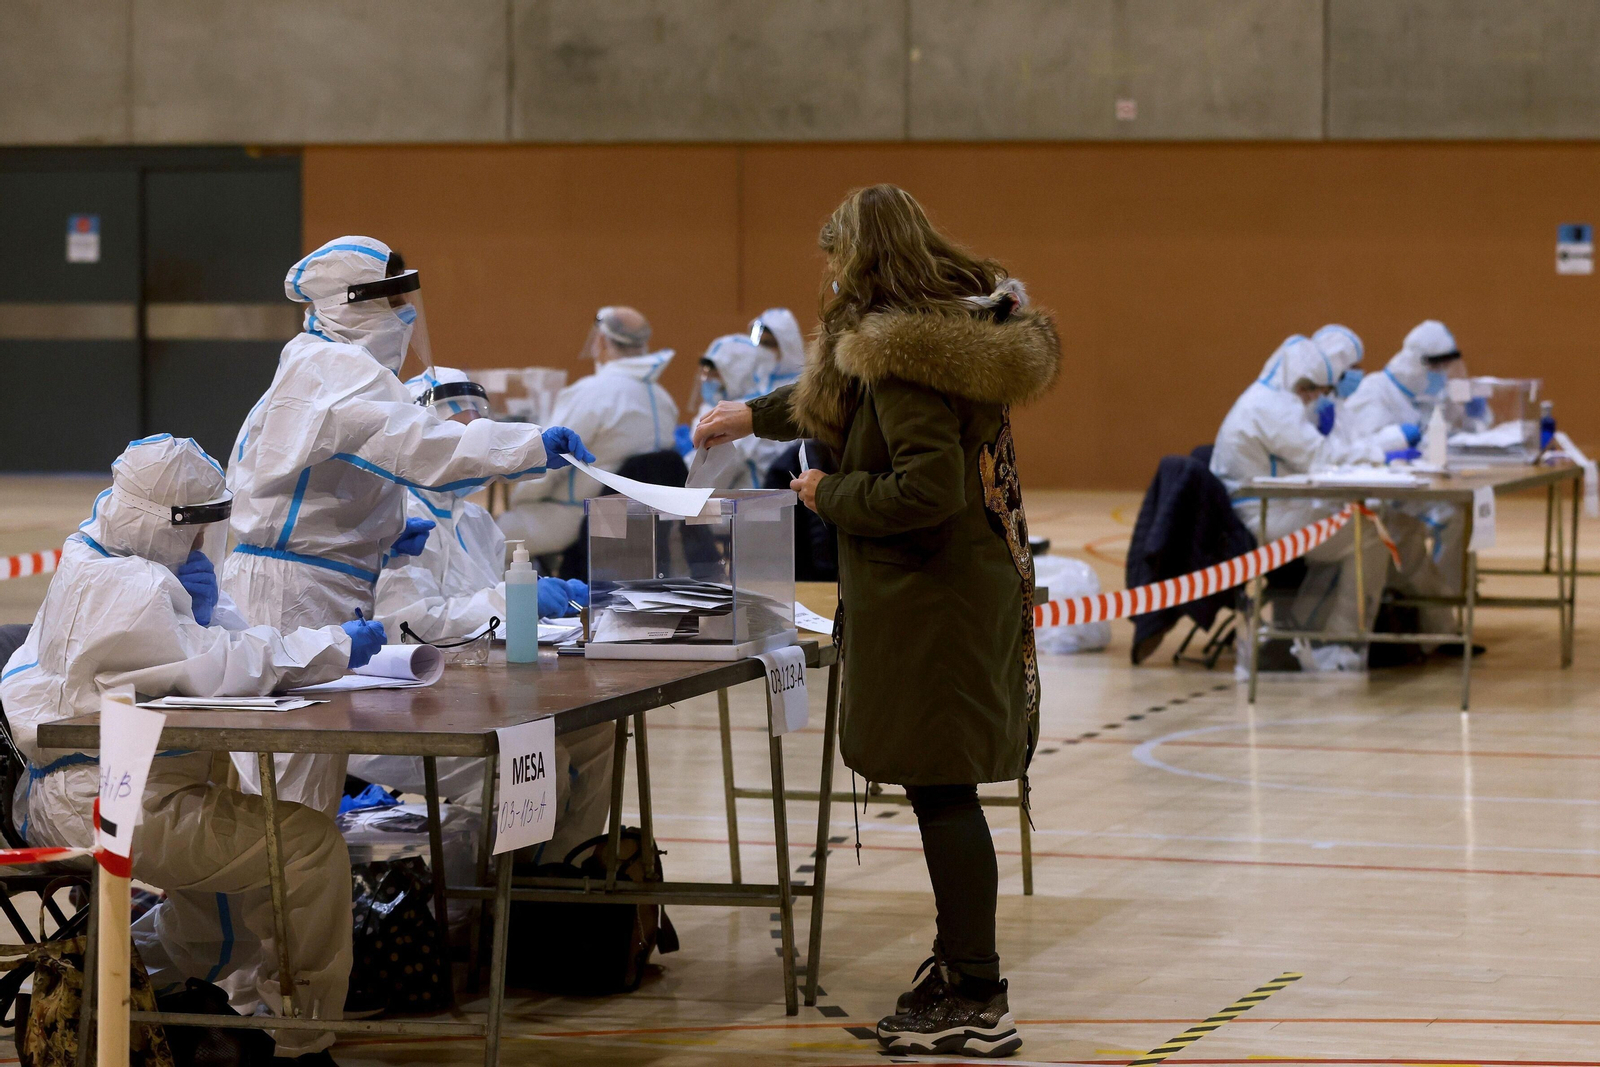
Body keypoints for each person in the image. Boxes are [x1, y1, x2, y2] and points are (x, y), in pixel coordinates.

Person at [695, 184, 1059, 1057]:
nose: (825, 276)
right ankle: (962, 965)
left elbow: (926, 485)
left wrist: (829, 493)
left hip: (936, 602)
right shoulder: (942, 328)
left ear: (859, 263)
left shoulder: (903, 357)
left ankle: (975, 990)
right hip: (955, 592)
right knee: (946, 786)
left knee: (944, 790)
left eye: (831, 259)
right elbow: (834, 389)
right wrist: (755, 413)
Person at [0, 435, 383, 1063]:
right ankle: (302, 1043)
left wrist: (217, 619)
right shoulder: (125, 588)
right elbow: (219, 662)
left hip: (126, 781)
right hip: (102, 800)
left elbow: (215, 638)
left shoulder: (116, 557)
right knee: (309, 850)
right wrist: (333, 646)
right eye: (196, 528)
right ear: (163, 522)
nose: (204, 545)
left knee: (224, 893)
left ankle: (130, 985)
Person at [223, 236, 593, 816]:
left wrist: (378, 533)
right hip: (295, 594)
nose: (406, 316)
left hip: (314, 581)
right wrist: (525, 444)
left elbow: (320, 480)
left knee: (305, 792)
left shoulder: (323, 364)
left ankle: (294, 900)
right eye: (392, 302)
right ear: (352, 302)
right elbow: (415, 444)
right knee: (289, 801)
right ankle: (271, 906)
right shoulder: (332, 368)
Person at [349, 369, 613, 859]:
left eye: (479, 427)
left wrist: (545, 607)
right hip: (402, 708)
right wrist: (516, 603)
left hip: (473, 693)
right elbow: (409, 628)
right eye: (458, 430)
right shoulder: (395, 516)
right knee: (533, 760)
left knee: (597, 731)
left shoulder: (472, 518)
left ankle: (559, 882)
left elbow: (492, 610)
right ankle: (475, 914)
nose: (473, 441)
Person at [1211, 335, 1391, 670]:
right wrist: (1381, 453)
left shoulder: (1271, 398)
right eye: (1310, 390)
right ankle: (1341, 639)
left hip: (1274, 504)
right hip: (1261, 514)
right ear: (1297, 381)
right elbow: (1321, 459)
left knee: (1354, 522)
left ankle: (1309, 629)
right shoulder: (1270, 408)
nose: (1313, 398)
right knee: (1370, 533)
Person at [498, 306, 678, 558]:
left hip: (579, 518)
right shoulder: (663, 399)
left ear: (601, 340)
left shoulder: (591, 393)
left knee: (484, 538)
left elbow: (546, 465)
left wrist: (519, 499)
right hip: (646, 526)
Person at [1343, 320, 1470, 639]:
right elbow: (1361, 447)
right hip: (1383, 493)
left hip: (1418, 486)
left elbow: (1452, 428)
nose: (1442, 372)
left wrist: (1465, 407)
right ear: (1418, 361)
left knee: (1458, 515)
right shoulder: (1376, 390)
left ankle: (1442, 606)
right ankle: (1439, 616)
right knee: (1432, 525)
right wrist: (1398, 441)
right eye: (1436, 365)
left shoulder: (1428, 392)